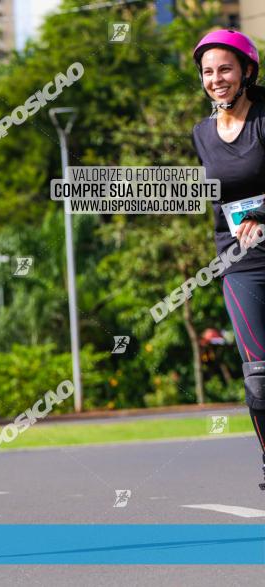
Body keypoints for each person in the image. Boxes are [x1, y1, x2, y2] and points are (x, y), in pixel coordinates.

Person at [191, 30, 265, 489]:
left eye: (225, 69)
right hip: (240, 260)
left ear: (246, 72)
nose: (216, 79)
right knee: (259, 375)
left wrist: (261, 212)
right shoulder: (201, 133)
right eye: (208, 72)